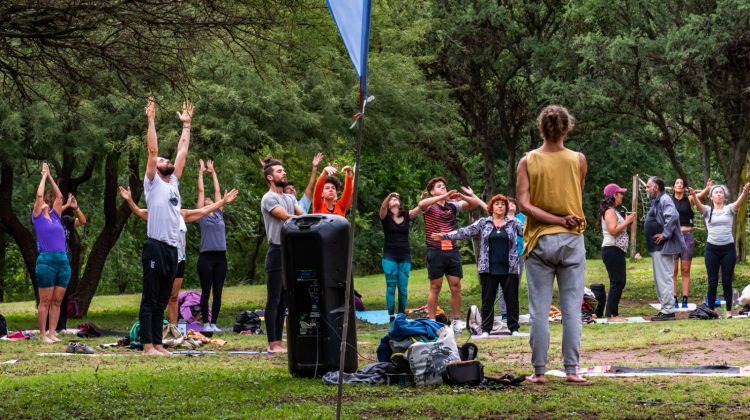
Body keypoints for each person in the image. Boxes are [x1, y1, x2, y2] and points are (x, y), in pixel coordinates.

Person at [516, 105, 587, 384]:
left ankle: (540, 372)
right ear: (566, 128)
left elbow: (524, 204)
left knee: (539, 311)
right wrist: (563, 217)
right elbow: (576, 194)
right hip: (571, 238)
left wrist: (553, 218)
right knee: (572, 310)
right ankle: (572, 370)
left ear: (540, 127)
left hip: (539, 239)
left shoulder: (527, 161)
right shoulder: (578, 160)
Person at [118, 185, 239, 327]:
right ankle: (153, 327)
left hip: (179, 260)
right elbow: (138, 212)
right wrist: (129, 199)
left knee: (173, 297)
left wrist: (223, 201)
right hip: (162, 258)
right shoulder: (157, 213)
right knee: (157, 295)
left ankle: (173, 329)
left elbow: (205, 210)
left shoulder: (183, 214)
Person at [139, 97, 193, 356]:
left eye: (165, 158)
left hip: (172, 249)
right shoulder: (153, 182)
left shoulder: (173, 183)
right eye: (162, 159)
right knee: (150, 299)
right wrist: (151, 120)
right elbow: (151, 150)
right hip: (155, 246)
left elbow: (182, 152)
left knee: (162, 299)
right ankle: (147, 345)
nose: (165, 159)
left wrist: (186, 126)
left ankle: (159, 344)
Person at [435, 194, 524, 336]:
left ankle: (514, 329)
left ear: (506, 208)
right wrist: (445, 235)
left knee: (512, 300)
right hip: (488, 268)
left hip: (510, 268)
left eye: (503, 204)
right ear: (491, 207)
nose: (500, 206)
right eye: (497, 204)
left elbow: (528, 231)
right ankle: (486, 329)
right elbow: (465, 231)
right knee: (487, 300)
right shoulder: (484, 223)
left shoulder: (514, 223)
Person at [418, 177, 483, 334]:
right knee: (435, 286)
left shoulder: (452, 206)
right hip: (435, 250)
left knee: (456, 286)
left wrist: (463, 196)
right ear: (432, 191)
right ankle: (432, 322)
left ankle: (456, 322)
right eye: (439, 187)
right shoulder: (430, 206)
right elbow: (420, 205)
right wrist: (442, 196)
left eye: (444, 186)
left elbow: (473, 204)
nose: (443, 188)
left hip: (452, 250)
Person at [260, 157, 304, 353]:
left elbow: (302, 217)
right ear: (270, 177)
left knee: (285, 299)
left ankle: (279, 342)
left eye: (284, 171)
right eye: (279, 171)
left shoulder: (290, 198)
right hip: (276, 251)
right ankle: (273, 343)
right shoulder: (269, 198)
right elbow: (287, 218)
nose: (284, 173)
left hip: (291, 252)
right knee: (274, 298)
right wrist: (307, 221)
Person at [689, 182, 750, 315]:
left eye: (720, 192)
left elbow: (739, 202)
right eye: (716, 192)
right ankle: (711, 310)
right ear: (711, 197)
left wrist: (745, 192)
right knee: (713, 281)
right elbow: (697, 204)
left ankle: (728, 312)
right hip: (712, 250)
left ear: (724, 196)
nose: (718, 194)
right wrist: (693, 194)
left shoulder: (729, 209)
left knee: (727, 281)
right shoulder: (707, 210)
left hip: (728, 249)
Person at [32, 162, 69, 344]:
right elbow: (39, 194)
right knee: (45, 301)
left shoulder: (55, 217)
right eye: (42, 203)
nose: (45, 202)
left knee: (57, 301)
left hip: (62, 261)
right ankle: (42, 334)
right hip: (46, 261)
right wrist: (44, 176)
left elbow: (60, 196)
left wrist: (52, 176)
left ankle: (53, 332)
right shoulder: (37, 218)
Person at [644, 176, 686, 322]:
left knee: (664, 279)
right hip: (656, 247)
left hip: (662, 246)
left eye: (648, 187)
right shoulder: (657, 201)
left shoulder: (665, 199)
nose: (646, 189)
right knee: (659, 279)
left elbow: (673, 216)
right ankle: (665, 309)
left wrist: (665, 234)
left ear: (656, 188)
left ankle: (668, 311)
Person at [196, 159, 230, 332]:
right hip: (206, 257)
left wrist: (213, 172)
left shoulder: (219, 213)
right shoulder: (202, 215)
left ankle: (214, 323)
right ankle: (206, 324)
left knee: (218, 292)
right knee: (206, 291)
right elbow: (201, 191)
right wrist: (201, 173)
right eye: (206, 201)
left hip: (220, 257)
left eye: (210, 201)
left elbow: (218, 192)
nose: (208, 201)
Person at [596, 184, 637, 321]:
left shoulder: (614, 210)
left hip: (617, 250)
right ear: (614, 195)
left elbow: (617, 228)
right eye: (620, 193)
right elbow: (613, 230)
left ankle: (614, 313)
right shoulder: (609, 211)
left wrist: (627, 223)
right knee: (617, 282)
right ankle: (610, 315)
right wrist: (627, 222)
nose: (622, 195)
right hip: (611, 249)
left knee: (620, 282)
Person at [379, 192, 421, 321]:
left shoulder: (406, 215)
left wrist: (423, 199)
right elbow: (382, 208)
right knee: (391, 287)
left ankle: (401, 315)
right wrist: (390, 195)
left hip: (404, 256)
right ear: (388, 203)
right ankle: (391, 316)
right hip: (389, 257)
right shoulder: (385, 216)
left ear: (400, 202)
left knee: (403, 288)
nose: (394, 199)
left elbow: (419, 208)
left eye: (396, 198)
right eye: (391, 199)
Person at [670, 178, 710, 308]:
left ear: (684, 187)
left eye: (682, 183)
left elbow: (700, 195)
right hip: (673, 237)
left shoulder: (689, 200)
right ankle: (674, 299)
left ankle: (685, 299)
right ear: (673, 186)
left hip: (687, 236)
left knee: (685, 270)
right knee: (673, 270)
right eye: (677, 183)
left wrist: (708, 188)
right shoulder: (668, 201)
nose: (680, 185)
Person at [55, 193, 87, 331]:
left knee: (63, 296)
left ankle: (61, 326)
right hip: (52, 261)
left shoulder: (66, 220)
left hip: (65, 261)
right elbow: (52, 214)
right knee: (52, 297)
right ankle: (50, 326)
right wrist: (66, 205)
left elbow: (82, 221)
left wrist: (76, 207)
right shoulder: (48, 219)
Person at [498, 198, 524, 320]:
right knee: (503, 284)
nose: (512, 204)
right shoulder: (500, 219)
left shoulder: (522, 217)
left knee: (515, 284)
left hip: (520, 255)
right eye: (509, 203)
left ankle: (513, 312)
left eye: (514, 203)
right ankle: (504, 313)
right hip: (504, 255)